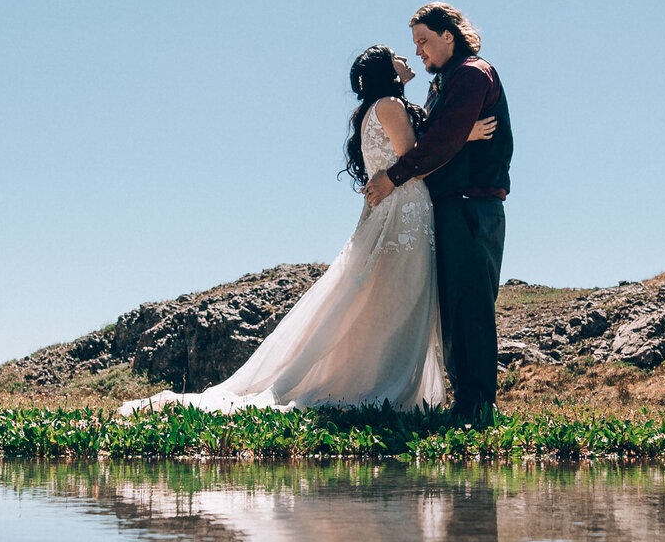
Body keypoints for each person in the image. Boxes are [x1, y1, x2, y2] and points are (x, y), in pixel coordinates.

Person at [120, 45, 495, 414]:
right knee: (399, 300)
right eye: (397, 55)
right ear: (386, 70)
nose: (406, 58)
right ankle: (383, 386)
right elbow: (416, 162)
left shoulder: (372, 111)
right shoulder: (391, 107)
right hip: (406, 213)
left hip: (394, 211)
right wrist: (462, 136)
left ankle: (375, 380)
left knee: (383, 301)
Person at [362, 4, 511, 424]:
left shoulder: (471, 74)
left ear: (450, 34)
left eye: (424, 41)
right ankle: (466, 403)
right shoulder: (441, 83)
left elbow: (440, 140)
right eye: (414, 45)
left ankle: (476, 407)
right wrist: (459, 135)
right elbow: (438, 135)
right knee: (453, 309)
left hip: (471, 205)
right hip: (450, 208)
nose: (419, 51)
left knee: (471, 307)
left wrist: (394, 176)